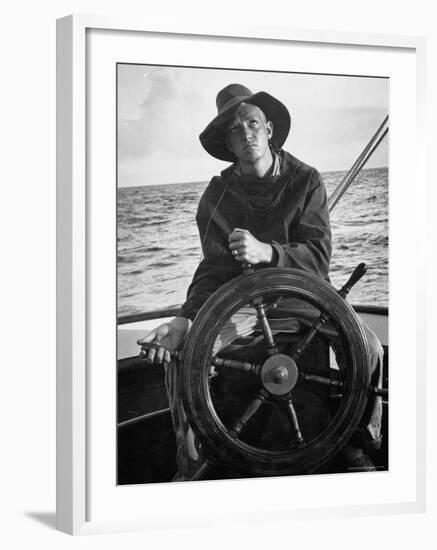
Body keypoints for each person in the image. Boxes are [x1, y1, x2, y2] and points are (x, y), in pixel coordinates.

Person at [138, 84, 383, 479]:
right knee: (183, 358)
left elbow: (318, 260)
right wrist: (184, 319)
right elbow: (212, 271)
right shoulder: (217, 195)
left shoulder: (307, 180)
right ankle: (192, 462)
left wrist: (268, 252)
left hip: (304, 298)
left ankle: (361, 442)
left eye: (252, 123)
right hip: (244, 307)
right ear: (228, 143)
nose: (246, 133)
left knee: (369, 349)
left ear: (268, 129)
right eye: (235, 130)